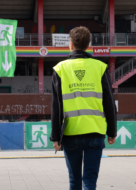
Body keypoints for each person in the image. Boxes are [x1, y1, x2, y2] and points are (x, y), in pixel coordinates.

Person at [50, 26, 117, 190]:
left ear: (70, 45)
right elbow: (109, 102)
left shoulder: (60, 69)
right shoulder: (100, 67)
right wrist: (112, 131)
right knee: (90, 181)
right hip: (95, 132)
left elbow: (56, 106)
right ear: (89, 45)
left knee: (74, 181)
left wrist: (56, 138)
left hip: (71, 133)